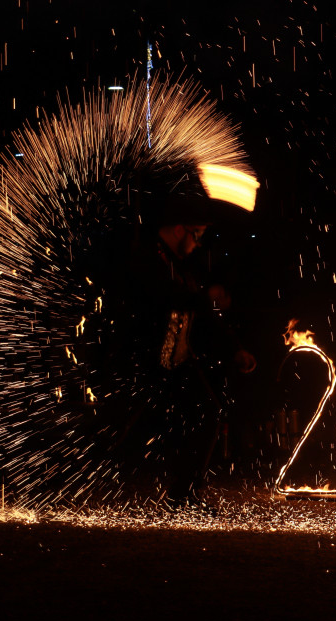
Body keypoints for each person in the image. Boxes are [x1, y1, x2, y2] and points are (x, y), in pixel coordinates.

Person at [108, 183, 256, 507]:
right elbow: (166, 297)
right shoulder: (146, 260)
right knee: (117, 430)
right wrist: (204, 297)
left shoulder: (184, 267)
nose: (199, 242)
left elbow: (204, 312)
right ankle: (69, 479)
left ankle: (185, 494)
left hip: (177, 362)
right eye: (197, 234)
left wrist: (235, 348)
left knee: (208, 411)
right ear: (179, 230)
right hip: (141, 362)